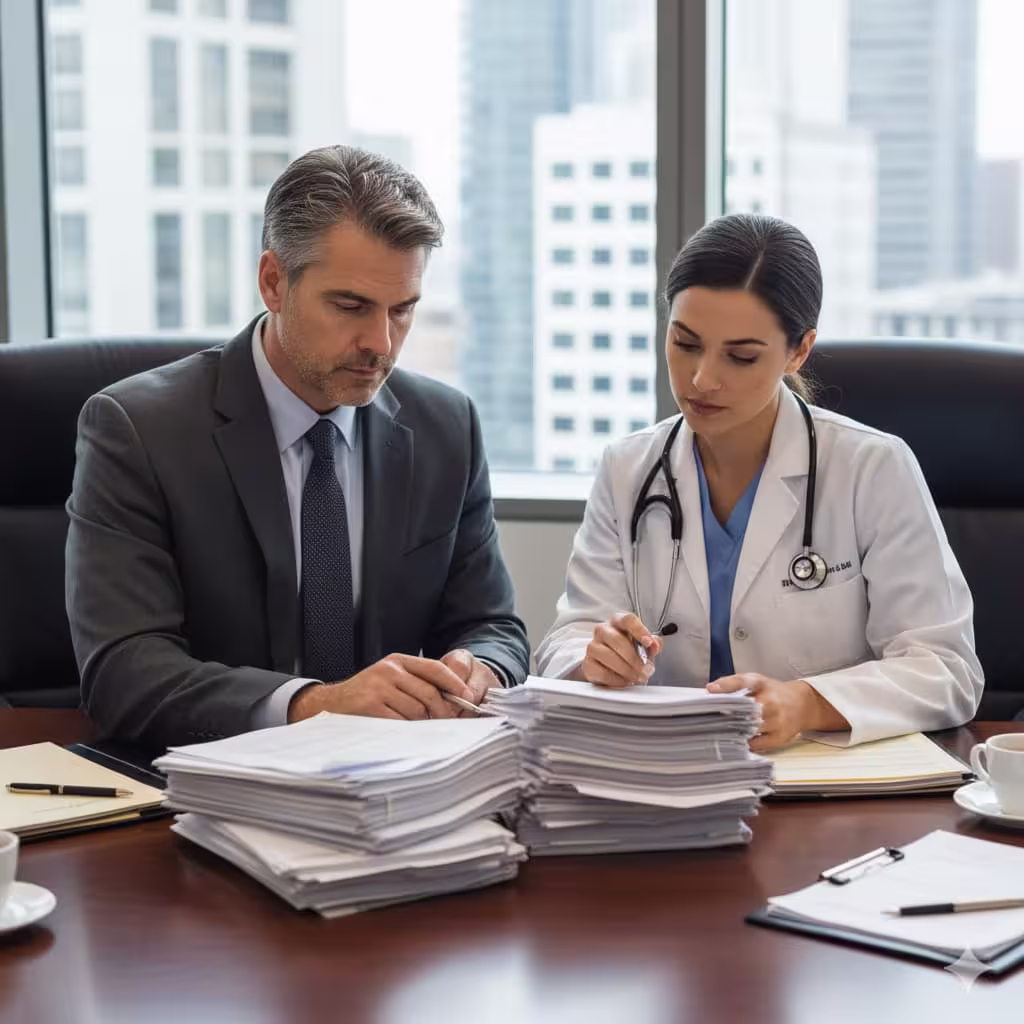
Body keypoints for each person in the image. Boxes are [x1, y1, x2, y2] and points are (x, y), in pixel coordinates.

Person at [66, 145, 529, 749]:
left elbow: (493, 625)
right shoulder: (137, 430)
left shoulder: (446, 426)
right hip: (210, 779)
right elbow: (123, 674)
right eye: (350, 306)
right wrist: (314, 706)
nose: (381, 343)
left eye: (402, 310)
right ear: (273, 283)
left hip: (393, 778)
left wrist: (480, 668)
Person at [535, 213, 982, 751]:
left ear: (799, 351)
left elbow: (945, 668)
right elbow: (568, 636)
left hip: (819, 776)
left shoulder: (871, 468)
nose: (702, 378)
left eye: (741, 356)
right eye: (685, 343)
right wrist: (595, 657)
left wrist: (806, 702)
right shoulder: (627, 468)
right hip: (668, 771)